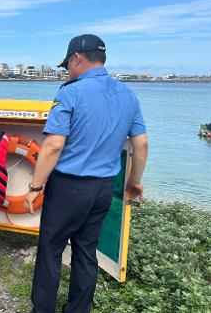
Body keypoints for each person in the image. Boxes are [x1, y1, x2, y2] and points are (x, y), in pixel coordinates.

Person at [24, 34, 148, 313]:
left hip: (69, 188)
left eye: (67, 64)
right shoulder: (128, 95)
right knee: (86, 250)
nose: (67, 70)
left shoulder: (70, 93)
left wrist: (35, 187)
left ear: (77, 58)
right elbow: (141, 143)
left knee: (51, 250)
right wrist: (135, 181)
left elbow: (54, 145)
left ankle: (42, 309)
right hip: (103, 188)